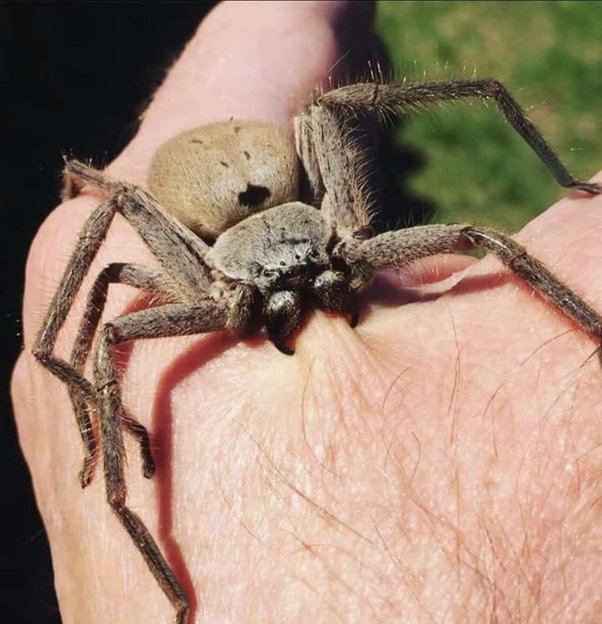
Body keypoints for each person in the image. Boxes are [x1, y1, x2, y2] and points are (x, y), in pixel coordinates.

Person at [11, 1, 602, 621]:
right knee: (112, 247)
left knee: (341, 119)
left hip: (271, 188)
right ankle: (175, 599)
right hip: (209, 233)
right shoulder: (194, 276)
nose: (306, 289)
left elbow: (482, 198)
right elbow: (97, 320)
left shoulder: (343, 233)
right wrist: (95, 418)